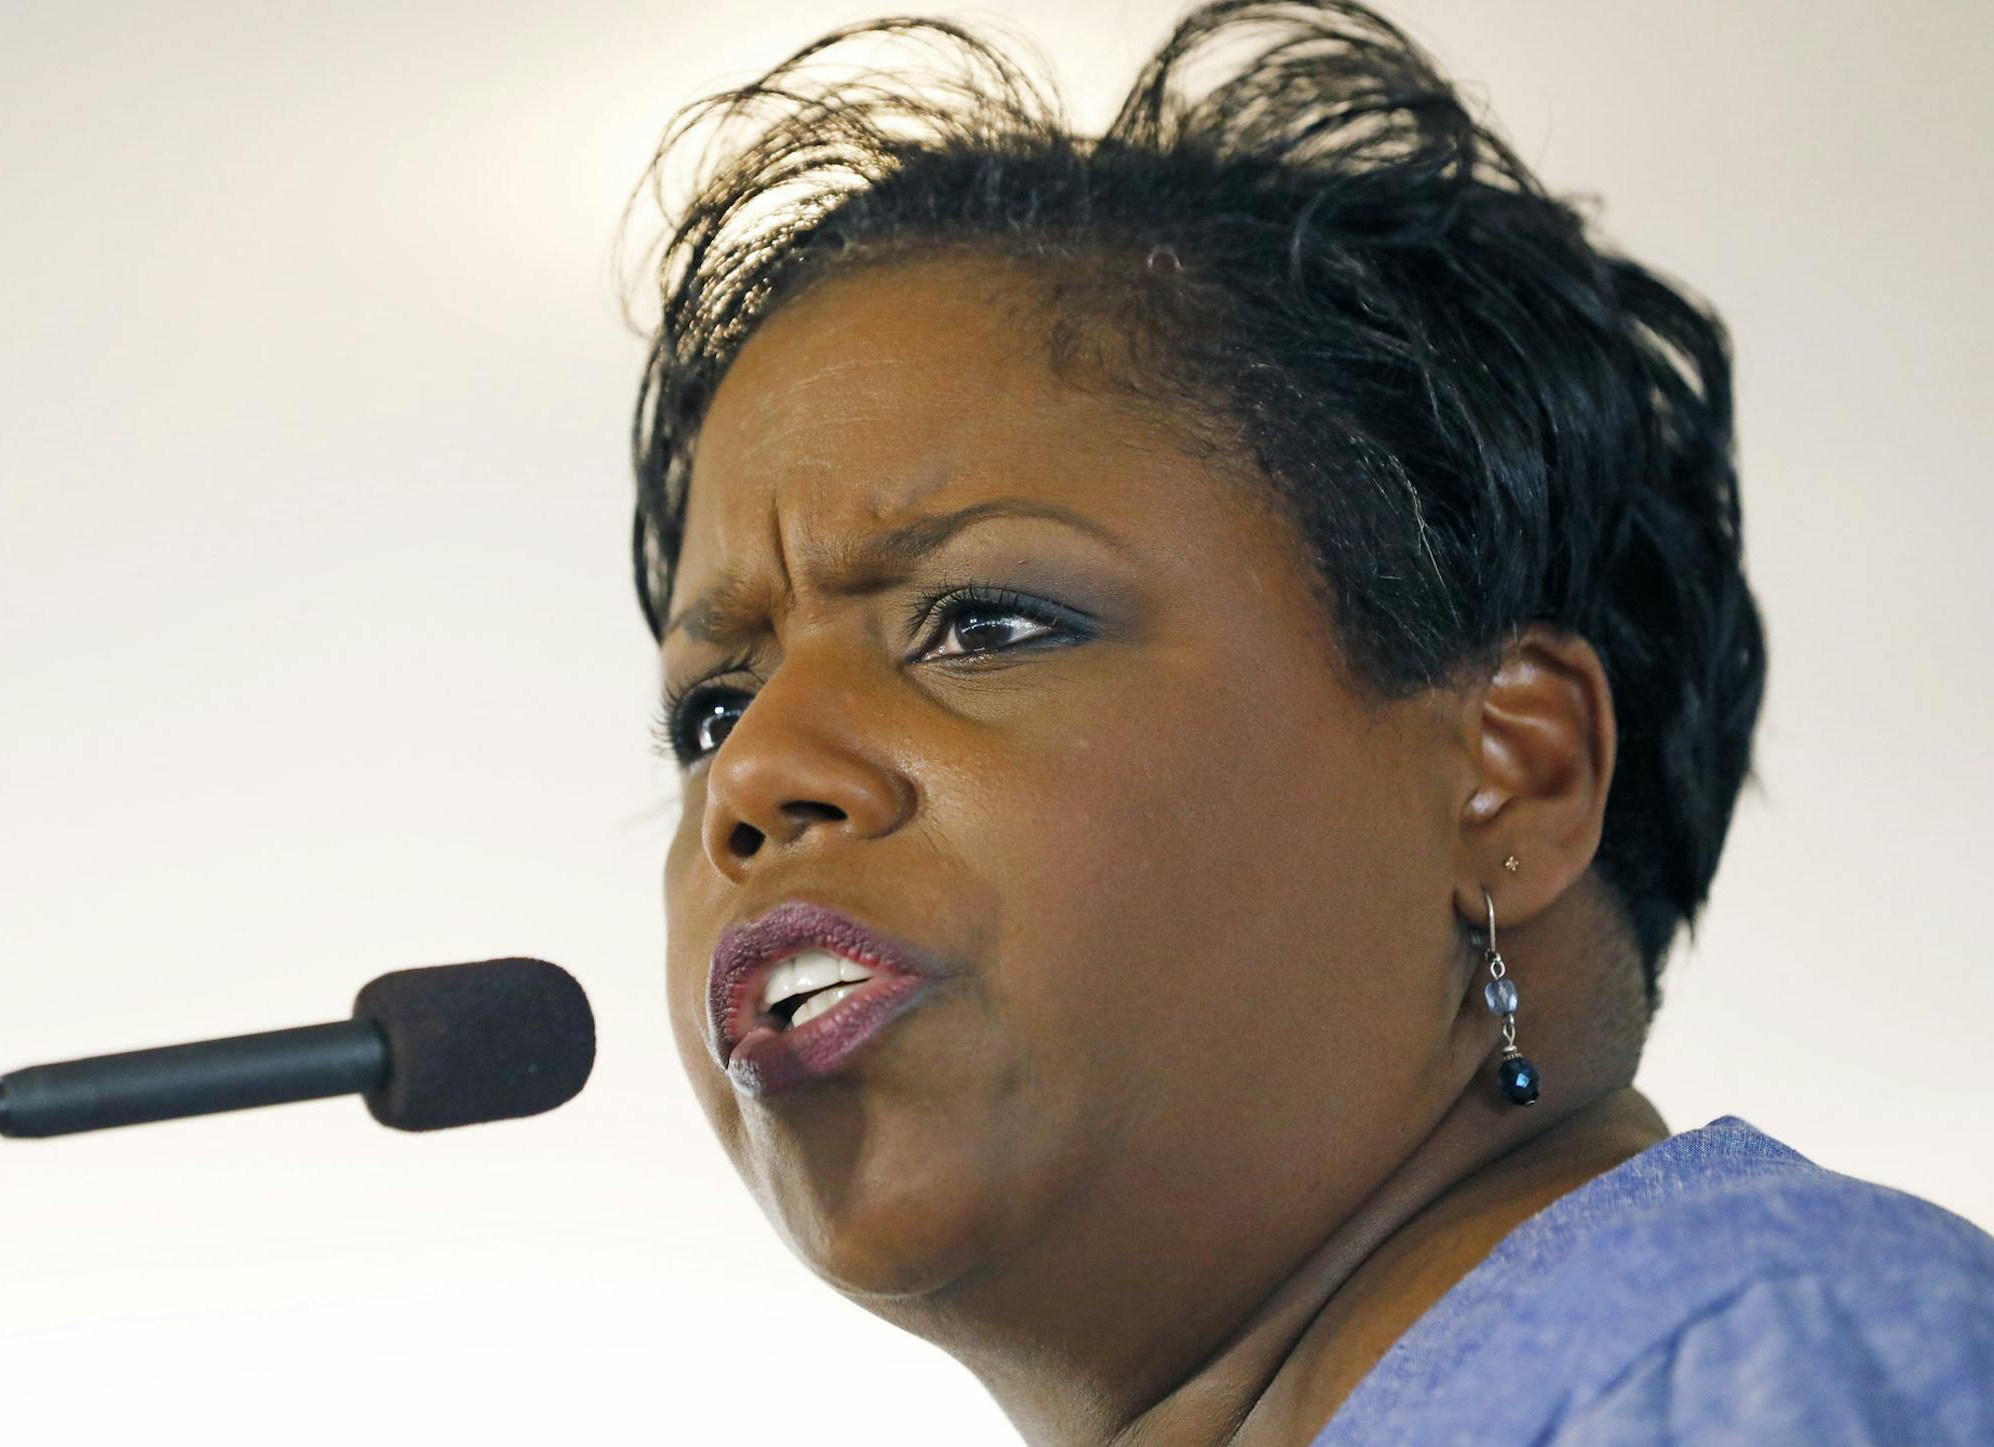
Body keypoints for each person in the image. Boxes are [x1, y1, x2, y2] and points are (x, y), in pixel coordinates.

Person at [628, 2, 1994, 1440]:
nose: (754, 773)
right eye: (714, 709)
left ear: (1511, 778)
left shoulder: (1764, 1364)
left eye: (985, 624)